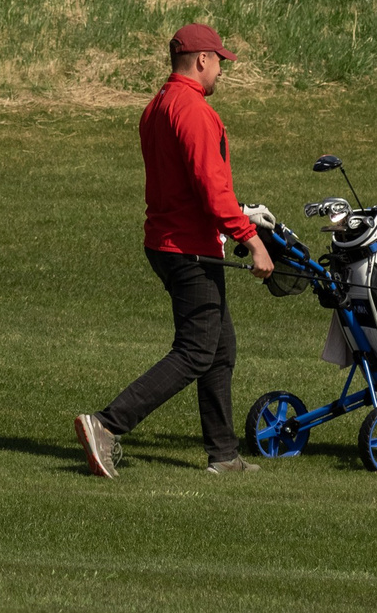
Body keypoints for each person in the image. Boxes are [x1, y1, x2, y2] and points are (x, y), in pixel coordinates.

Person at [76, 24, 276, 478]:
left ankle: (223, 454)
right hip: (190, 249)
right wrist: (251, 239)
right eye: (219, 61)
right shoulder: (193, 110)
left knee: (220, 349)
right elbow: (211, 187)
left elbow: (191, 183)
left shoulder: (158, 106)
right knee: (195, 350)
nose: (221, 69)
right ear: (201, 59)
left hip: (166, 240)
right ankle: (107, 425)